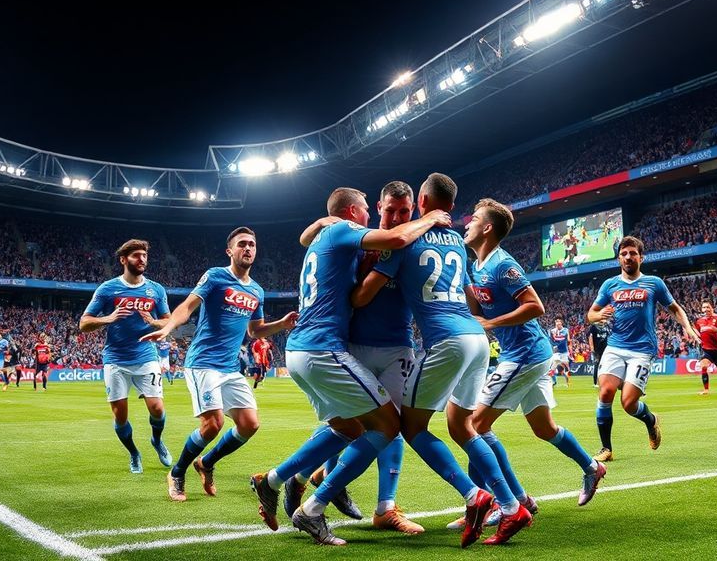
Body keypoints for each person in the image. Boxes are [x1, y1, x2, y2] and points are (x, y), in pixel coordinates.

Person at [250, 186, 452, 546]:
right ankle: (313, 505)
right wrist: (431, 217)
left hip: (312, 349)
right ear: (361, 211)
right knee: (387, 423)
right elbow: (392, 240)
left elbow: (311, 237)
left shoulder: (337, 236)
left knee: (348, 429)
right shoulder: (350, 233)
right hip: (325, 348)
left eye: (405, 212)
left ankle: (276, 480)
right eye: (383, 211)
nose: (388, 218)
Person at [351, 174, 531, 547]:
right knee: (462, 427)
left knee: (411, 428)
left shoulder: (405, 241)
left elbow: (362, 298)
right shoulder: (457, 242)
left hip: (445, 341)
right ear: (450, 206)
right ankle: (513, 509)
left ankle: (474, 496)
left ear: (421, 201)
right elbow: (470, 296)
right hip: (476, 339)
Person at [444, 198, 604, 541]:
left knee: (474, 425)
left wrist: (491, 321)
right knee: (544, 428)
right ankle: (592, 467)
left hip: (525, 354)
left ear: (487, 228)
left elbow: (535, 305)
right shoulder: (477, 265)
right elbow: (476, 306)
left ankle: (510, 501)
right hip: (527, 353)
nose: (467, 224)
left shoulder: (503, 264)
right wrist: (464, 286)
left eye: (473, 219)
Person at [289, 180, 425, 535]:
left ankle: (386, 507)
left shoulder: (413, 243)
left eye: (404, 212)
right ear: (377, 208)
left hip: (398, 346)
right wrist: (322, 222)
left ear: (412, 211)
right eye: (389, 210)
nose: (396, 217)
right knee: (357, 425)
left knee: (387, 425)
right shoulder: (360, 240)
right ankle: (309, 480)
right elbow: (315, 242)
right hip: (351, 346)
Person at [140, 227, 297, 502]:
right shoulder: (215, 276)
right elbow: (188, 306)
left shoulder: (257, 291)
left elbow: (255, 331)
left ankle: (207, 462)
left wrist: (282, 324)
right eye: (242, 244)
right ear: (230, 251)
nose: (248, 249)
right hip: (203, 363)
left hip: (229, 368)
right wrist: (168, 328)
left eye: (252, 244)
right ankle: (177, 472)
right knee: (214, 423)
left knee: (249, 424)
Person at [587, 236, 700, 463]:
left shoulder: (654, 283)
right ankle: (606, 448)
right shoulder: (610, 285)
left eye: (632, 253)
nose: (628, 257)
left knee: (628, 404)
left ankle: (650, 420)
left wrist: (687, 327)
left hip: (642, 349)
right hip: (615, 346)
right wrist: (599, 315)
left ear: (641, 257)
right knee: (605, 392)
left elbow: (675, 308)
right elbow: (591, 314)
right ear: (619, 258)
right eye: (624, 254)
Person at [79, 239, 173, 473]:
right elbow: (84, 323)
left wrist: (153, 322)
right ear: (123, 260)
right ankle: (133, 453)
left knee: (158, 409)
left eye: (144, 255)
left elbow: (169, 321)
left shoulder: (156, 289)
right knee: (120, 416)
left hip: (146, 356)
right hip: (115, 359)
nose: (142, 259)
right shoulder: (108, 288)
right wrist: (108, 318)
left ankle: (157, 441)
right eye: (136, 256)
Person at [549, 317, 572, 388]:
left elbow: (568, 340)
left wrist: (570, 350)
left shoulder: (565, 330)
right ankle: (553, 382)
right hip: (556, 352)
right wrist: (554, 346)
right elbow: (551, 340)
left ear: (561, 323)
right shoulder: (552, 331)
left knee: (566, 369)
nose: (558, 323)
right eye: (556, 322)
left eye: (559, 321)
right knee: (552, 367)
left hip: (564, 352)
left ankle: (568, 382)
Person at [587, 321, 610, 387]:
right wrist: (592, 348)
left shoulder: (606, 326)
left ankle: (605, 381)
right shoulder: (594, 327)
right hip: (597, 350)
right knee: (597, 365)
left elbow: (609, 336)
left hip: (606, 349)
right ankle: (595, 383)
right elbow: (590, 337)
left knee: (606, 365)